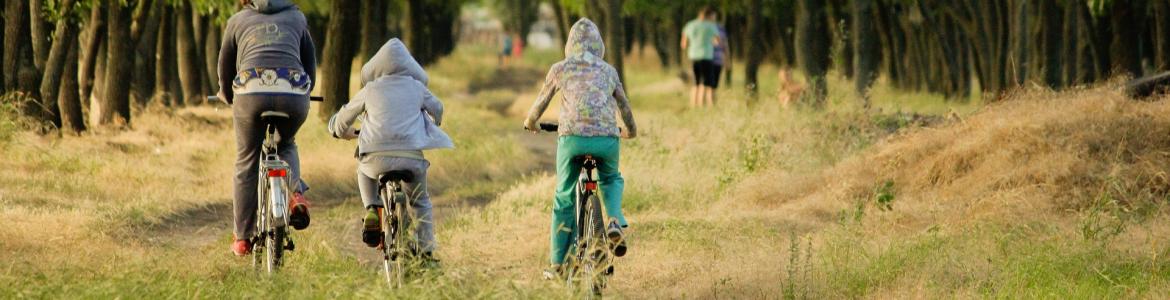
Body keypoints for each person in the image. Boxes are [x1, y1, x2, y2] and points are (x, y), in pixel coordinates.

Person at [523, 18, 637, 279]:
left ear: (569, 45)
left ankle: (558, 264)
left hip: (572, 140)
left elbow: (539, 104)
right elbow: (625, 108)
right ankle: (613, 221)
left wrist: (531, 123)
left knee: (564, 195)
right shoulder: (609, 71)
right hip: (607, 140)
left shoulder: (560, 68)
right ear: (599, 45)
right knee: (610, 178)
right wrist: (630, 131)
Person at [328, 38, 453, 265]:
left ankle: (372, 209)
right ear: (410, 66)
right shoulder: (417, 87)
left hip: (375, 157)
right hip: (411, 158)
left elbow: (343, 119)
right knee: (420, 201)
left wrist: (338, 129)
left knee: (364, 172)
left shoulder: (371, 88)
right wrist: (434, 120)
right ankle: (425, 251)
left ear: (376, 67)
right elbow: (438, 109)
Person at [217, 0, 316, 257]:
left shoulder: (237, 20)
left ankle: (242, 237)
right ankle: (295, 194)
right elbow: (310, 64)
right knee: (286, 143)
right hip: (292, 93)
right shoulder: (297, 18)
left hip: (250, 93)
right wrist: (305, 91)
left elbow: (225, 68)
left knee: (246, 160)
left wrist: (227, 94)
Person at [681, 7, 721, 108]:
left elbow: (683, 44)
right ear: (709, 15)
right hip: (706, 56)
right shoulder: (711, 26)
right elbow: (717, 42)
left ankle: (693, 105)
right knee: (705, 82)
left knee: (695, 82)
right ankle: (702, 105)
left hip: (693, 56)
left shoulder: (690, 25)